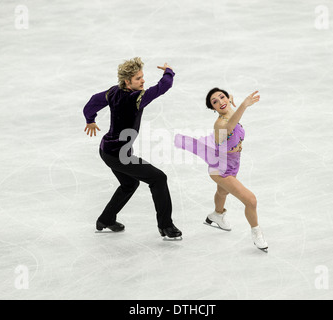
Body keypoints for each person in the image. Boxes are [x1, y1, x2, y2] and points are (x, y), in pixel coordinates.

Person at [83, 57, 182, 240]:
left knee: (129, 184)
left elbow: (92, 102)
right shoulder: (137, 97)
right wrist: (168, 71)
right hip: (118, 155)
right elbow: (163, 87)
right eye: (138, 78)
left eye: (142, 77)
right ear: (127, 82)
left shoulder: (114, 91)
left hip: (107, 150)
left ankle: (105, 220)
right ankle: (166, 226)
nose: (143, 81)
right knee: (159, 179)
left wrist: (90, 119)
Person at [174, 88, 267, 251]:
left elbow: (228, 100)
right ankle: (256, 233)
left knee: (223, 192)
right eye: (215, 102)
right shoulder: (220, 124)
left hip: (233, 163)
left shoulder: (228, 105)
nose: (221, 102)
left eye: (222, 97)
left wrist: (230, 99)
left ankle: (217, 214)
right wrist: (244, 105)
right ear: (213, 109)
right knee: (251, 200)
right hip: (220, 168)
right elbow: (230, 126)